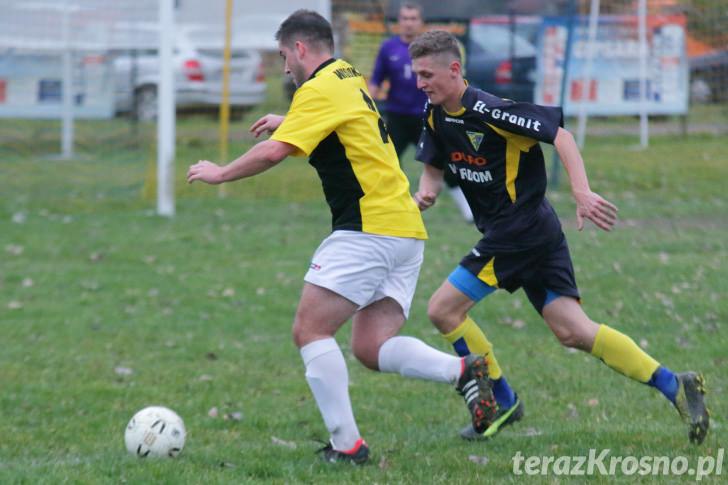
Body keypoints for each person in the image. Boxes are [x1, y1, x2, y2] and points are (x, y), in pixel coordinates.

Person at [186, 11, 497, 465]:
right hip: (404, 231)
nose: (284, 68)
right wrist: (288, 118)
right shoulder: (347, 75)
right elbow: (334, 122)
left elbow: (275, 152)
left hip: (368, 229)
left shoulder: (318, 87)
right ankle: (462, 370)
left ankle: (347, 445)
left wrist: (221, 173)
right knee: (370, 347)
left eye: (282, 58)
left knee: (310, 330)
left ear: (299, 49)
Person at [407, 30, 710, 444]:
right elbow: (434, 161)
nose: (421, 82)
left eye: (427, 74)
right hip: (535, 231)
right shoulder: (435, 112)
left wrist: (581, 191)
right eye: (417, 74)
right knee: (573, 331)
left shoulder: (493, 111)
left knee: (443, 310)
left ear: (454, 69)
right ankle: (676, 385)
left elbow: (561, 135)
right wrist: (427, 189)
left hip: (519, 232)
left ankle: (500, 400)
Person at [368, 2, 473, 223]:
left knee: (444, 162)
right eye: (404, 18)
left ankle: (468, 209)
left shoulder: (431, 52)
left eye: (413, 18)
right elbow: (376, 80)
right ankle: (389, 210)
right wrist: (368, 105)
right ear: (399, 22)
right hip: (396, 117)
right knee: (387, 164)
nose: (408, 23)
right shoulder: (389, 48)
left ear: (420, 22)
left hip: (426, 118)